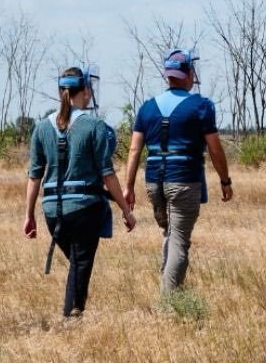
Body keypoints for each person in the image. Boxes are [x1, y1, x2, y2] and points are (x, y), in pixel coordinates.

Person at [24, 66, 137, 319]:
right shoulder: (94, 125)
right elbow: (107, 173)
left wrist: (28, 214)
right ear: (86, 90)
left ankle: (74, 311)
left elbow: (34, 176)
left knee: (77, 261)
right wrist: (126, 210)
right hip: (85, 208)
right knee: (81, 262)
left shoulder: (41, 128)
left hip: (52, 210)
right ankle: (72, 316)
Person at [123, 50, 232, 295]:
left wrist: (128, 187)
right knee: (180, 239)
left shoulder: (147, 108)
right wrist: (225, 180)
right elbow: (214, 148)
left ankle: (169, 286)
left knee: (169, 233)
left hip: (154, 182)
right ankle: (169, 299)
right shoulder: (201, 106)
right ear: (188, 75)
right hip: (184, 180)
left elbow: (134, 150)